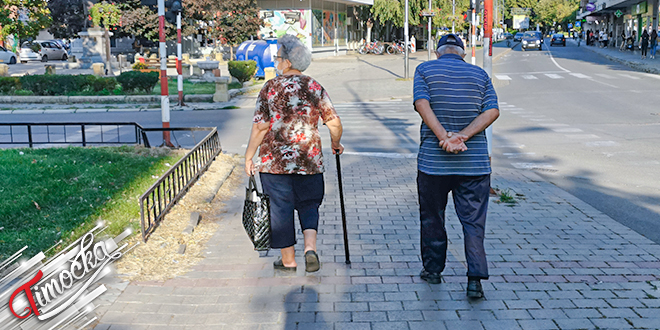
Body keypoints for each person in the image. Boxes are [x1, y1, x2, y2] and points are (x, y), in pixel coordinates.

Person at [244, 34, 344, 273]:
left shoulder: (269, 88)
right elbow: (334, 122)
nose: (276, 62)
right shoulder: (314, 86)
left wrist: (249, 155)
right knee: (309, 204)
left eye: (278, 57)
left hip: (275, 162)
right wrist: (336, 143)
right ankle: (311, 249)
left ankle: (288, 260)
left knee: (280, 208)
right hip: (309, 160)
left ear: (287, 62)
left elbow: (260, 126)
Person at [412, 34, 499, 299]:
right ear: (463, 53)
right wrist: (464, 136)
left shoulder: (424, 69)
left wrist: (443, 138)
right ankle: (475, 281)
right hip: (474, 166)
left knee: (432, 218)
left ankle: (433, 271)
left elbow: (421, 104)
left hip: (432, 164)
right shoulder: (480, 75)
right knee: (473, 223)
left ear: (438, 53)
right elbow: (492, 111)